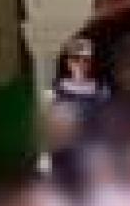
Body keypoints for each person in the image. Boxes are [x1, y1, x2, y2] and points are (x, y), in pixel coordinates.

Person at [41, 36, 110, 192]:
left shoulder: (102, 91)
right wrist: (44, 157)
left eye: (85, 60)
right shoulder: (53, 91)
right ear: (68, 62)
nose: (80, 64)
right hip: (63, 155)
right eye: (75, 59)